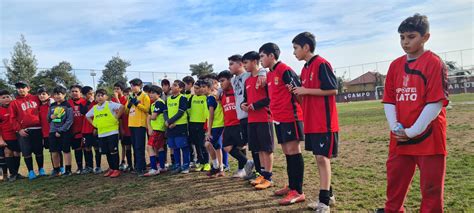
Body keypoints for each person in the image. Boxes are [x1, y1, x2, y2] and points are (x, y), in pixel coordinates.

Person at [381, 14, 449, 213]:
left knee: (431, 190)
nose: (405, 42)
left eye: (411, 37)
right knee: (394, 188)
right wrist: (395, 127)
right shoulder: (395, 65)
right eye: (402, 37)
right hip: (400, 138)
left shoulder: (434, 63)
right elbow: (389, 99)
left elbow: (436, 102)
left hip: (429, 139)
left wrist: (413, 131)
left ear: (425, 37)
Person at [291, 32, 339, 212]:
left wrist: (306, 90)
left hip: (325, 122)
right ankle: (330, 196)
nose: (294, 52)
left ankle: (324, 202)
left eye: (295, 48)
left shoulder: (322, 64)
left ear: (306, 47)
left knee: (322, 158)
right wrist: (298, 93)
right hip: (311, 121)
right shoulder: (304, 69)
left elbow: (333, 90)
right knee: (320, 159)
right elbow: (306, 97)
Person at [259, 43, 306, 205]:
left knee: (294, 151)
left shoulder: (284, 70)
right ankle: (292, 186)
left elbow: (299, 92)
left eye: (262, 56)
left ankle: (298, 191)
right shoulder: (270, 74)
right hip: (278, 118)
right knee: (287, 152)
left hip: (291, 117)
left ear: (272, 56)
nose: (261, 60)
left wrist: (303, 114)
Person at [227, 54, 266, 180]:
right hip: (240, 117)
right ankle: (248, 169)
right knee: (247, 146)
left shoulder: (248, 74)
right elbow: (221, 86)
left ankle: (260, 172)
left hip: (251, 115)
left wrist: (262, 73)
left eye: (232, 64)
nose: (229, 67)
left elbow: (261, 69)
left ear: (240, 64)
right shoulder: (233, 80)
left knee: (256, 146)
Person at [241, 51, 274, 190]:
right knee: (258, 148)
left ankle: (269, 177)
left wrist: (255, 106)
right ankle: (262, 173)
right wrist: (243, 104)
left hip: (264, 117)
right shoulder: (247, 80)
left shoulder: (264, 76)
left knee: (266, 148)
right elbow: (245, 99)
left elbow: (270, 97)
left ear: (255, 61)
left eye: (246, 63)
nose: (245, 66)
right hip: (252, 120)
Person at [217, 70, 254, 178]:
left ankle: (241, 169)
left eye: (223, 81)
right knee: (227, 147)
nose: (221, 83)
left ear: (230, 80)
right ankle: (247, 162)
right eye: (219, 81)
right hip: (228, 124)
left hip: (238, 123)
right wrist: (219, 90)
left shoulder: (237, 91)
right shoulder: (222, 94)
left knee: (241, 146)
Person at [9, 81, 46, 180]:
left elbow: (46, 102)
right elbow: (12, 118)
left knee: (39, 150)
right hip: (24, 131)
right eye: (18, 88)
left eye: (23, 87)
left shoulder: (36, 98)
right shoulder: (14, 103)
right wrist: (19, 129)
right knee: (26, 152)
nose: (20, 89)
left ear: (28, 88)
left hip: (37, 129)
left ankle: (41, 169)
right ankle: (31, 171)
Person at [86, 89, 125, 178]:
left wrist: (116, 117)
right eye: (98, 96)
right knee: (107, 152)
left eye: (102, 95)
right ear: (95, 98)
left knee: (113, 151)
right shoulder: (95, 108)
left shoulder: (110, 104)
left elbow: (122, 107)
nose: (100, 97)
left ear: (106, 97)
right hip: (102, 134)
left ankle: (116, 169)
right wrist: (94, 124)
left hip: (112, 132)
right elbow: (87, 116)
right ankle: (111, 168)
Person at [164, 80, 190, 174]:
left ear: (181, 88)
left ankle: (186, 166)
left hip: (180, 126)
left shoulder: (182, 98)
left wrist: (170, 121)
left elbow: (181, 112)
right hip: (170, 127)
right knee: (174, 147)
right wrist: (167, 121)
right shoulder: (168, 99)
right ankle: (177, 165)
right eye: (173, 85)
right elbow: (165, 112)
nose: (172, 86)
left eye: (175, 85)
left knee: (183, 146)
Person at [48, 86, 74, 177]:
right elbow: (48, 119)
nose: (57, 96)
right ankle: (56, 170)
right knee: (54, 151)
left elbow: (69, 120)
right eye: (55, 94)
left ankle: (68, 170)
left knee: (66, 150)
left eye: (59, 94)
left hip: (64, 131)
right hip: (52, 131)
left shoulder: (68, 105)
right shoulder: (52, 105)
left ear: (64, 95)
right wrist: (50, 117)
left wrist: (61, 130)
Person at [127, 78, 151, 176]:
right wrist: (129, 104)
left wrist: (137, 103)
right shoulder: (131, 96)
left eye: (134, 85)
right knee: (135, 146)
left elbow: (147, 109)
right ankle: (138, 166)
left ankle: (141, 168)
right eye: (131, 86)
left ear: (139, 86)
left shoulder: (145, 96)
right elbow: (126, 110)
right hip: (131, 124)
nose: (132, 87)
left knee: (139, 147)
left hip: (140, 124)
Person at [38, 87, 64, 174]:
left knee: (58, 150)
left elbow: (57, 118)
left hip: (55, 131)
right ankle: (55, 168)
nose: (41, 96)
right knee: (52, 151)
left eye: (44, 94)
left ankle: (62, 167)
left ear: (49, 95)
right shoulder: (39, 107)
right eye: (40, 94)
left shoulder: (53, 105)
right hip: (45, 133)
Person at [203, 77, 225, 178]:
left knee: (209, 144)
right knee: (215, 146)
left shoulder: (211, 98)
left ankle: (217, 167)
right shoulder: (212, 97)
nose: (202, 89)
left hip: (217, 125)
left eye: (204, 87)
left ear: (209, 88)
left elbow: (211, 115)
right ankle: (219, 168)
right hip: (217, 125)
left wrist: (209, 131)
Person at [187, 79, 210, 172]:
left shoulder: (205, 98)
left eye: (198, 88)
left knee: (203, 144)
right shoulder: (191, 98)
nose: (196, 90)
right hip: (192, 123)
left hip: (202, 124)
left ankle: (207, 162)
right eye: (195, 88)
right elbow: (188, 110)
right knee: (196, 144)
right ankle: (200, 162)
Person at [144, 85, 167, 176]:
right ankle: (162, 166)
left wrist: (149, 122)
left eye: (153, 93)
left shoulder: (159, 103)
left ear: (159, 94)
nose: (150, 94)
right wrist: (149, 120)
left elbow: (152, 117)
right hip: (158, 128)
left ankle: (154, 168)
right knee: (159, 147)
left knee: (149, 147)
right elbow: (149, 116)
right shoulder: (153, 104)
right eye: (150, 92)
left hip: (157, 129)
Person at [0, 90, 22, 181]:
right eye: (3, 98)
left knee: (17, 153)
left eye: (7, 97)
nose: (6, 99)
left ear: (11, 97)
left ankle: (16, 173)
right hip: (6, 136)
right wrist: (0, 139)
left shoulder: (15, 107)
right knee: (8, 153)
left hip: (17, 135)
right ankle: (12, 174)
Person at [112, 82, 133, 172]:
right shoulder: (112, 99)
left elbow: (123, 109)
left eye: (118, 89)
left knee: (128, 145)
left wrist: (117, 98)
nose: (116, 91)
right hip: (117, 125)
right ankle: (122, 162)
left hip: (127, 125)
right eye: (115, 89)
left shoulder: (125, 99)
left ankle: (131, 164)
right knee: (122, 145)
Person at [80, 86, 101, 174]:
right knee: (87, 148)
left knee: (96, 147)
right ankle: (89, 166)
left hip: (95, 129)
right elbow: (83, 112)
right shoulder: (83, 103)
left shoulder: (97, 103)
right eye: (90, 93)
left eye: (93, 93)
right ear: (85, 95)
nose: (92, 95)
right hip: (85, 130)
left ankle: (98, 166)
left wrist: (96, 128)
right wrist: (89, 102)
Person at [68, 85, 87, 174]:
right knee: (77, 149)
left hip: (86, 130)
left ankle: (88, 166)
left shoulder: (85, 102)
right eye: (72, 91)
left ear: (80, 93)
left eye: (76, 91)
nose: (74, 93)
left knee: (87, 148)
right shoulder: (67, 103)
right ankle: (79, 168)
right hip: (73, 131)